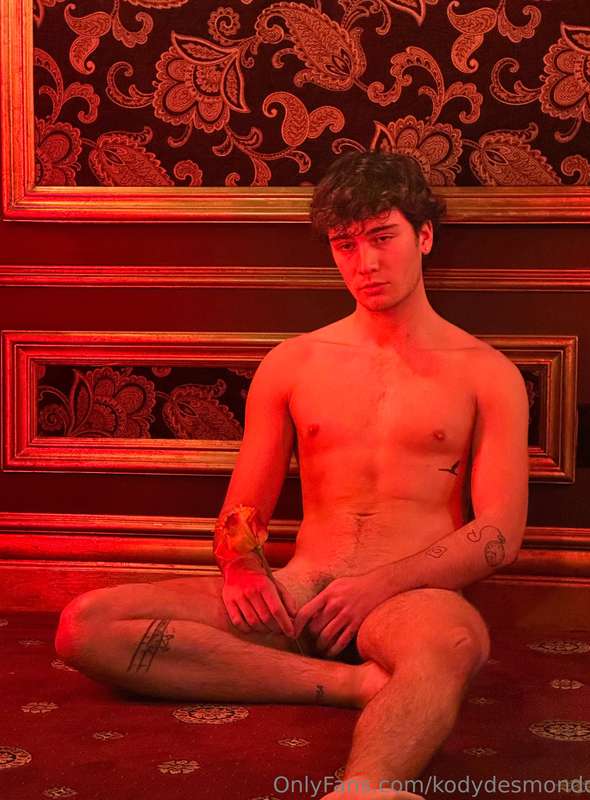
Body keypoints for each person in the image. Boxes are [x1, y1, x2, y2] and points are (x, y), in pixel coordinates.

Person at [54, 151, 529, 800]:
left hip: (409, 599)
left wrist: (376, 585)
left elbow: (500, 532)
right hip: (299, 591)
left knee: (452, 642)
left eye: (382, 238)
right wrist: (243, 568)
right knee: (85, 625)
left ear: (424, 235)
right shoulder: (293, 364)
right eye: (345, 244)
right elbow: (241, 512)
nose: (365, 263)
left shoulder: (486, 373)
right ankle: (351, 684)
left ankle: (365, 791)